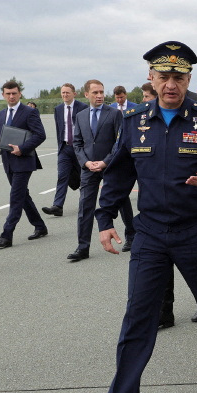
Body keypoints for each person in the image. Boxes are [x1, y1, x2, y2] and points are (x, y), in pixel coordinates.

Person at [84, 42, 197, 393]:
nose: (171, 84)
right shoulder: (135, 120)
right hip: (151, 234)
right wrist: (104, 218)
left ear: (189, 80)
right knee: (138, 318)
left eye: (179, 77)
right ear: (151, 80)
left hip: (196, 231)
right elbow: (119, 174)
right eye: (164, 77)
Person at [67, 80, 135, 261]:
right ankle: (83, 247)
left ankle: (131, 236)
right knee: (85, 207)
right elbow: (78, 144)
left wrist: (105, 162)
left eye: (102, 92)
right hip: (89, 168)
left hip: (111, 166)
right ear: (86, 94)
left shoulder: (114, 114)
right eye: (95, 92)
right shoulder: (80, 116)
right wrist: (86, 163)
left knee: (121, 201)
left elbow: (119, 142)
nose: (99, 96)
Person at [0, 81, 48, 247]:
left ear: (20, 94)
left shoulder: (29, 112)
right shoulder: (1, 115)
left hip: (24, 161)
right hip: (8, 162)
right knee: (22, 196)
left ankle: (6, 236)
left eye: (14, 93)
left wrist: (22, 148)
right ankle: (40, 226)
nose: (11, 96)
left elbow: (40, 135)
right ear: (3, 95)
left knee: (16, 197)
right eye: (8, 94)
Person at [43, 83, 88, 217]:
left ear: (74, 94)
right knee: (62, 176)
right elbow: (59, 129)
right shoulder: (58, 109)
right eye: (63, 93)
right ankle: (57, 206)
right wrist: (60, 147)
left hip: (80, 148)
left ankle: (85, 203)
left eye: (67, 92)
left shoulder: (83, 107)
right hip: (64, 148)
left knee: (83, 177)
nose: (65, 95)